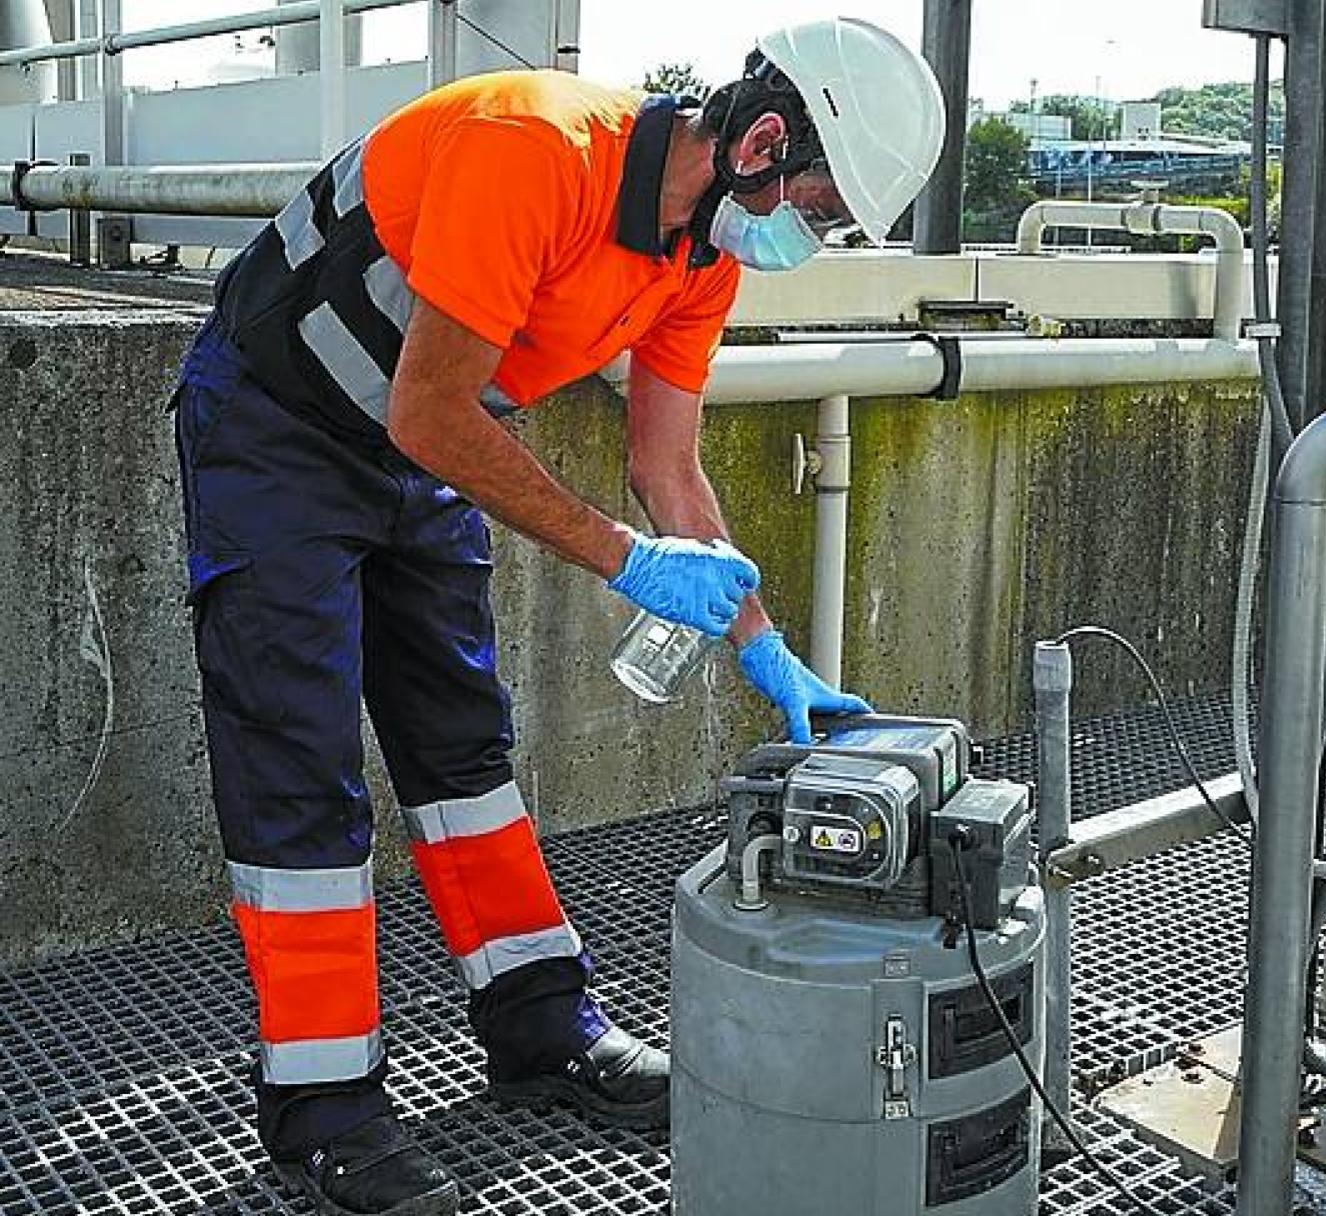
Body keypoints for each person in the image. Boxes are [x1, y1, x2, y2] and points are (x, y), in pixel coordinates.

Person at [170, 19, 945, 1215]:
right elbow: (434, 414)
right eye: (825, 208)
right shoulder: (533, 150)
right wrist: (626, 563)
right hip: (277, 423)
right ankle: (323, 1104)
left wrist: (764, 646)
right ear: (767, 141)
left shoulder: (702, 257)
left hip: (412, 442)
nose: (817, 235)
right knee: (300, 765)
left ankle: (541, 1025)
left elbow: (670, 472)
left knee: (464, 751)